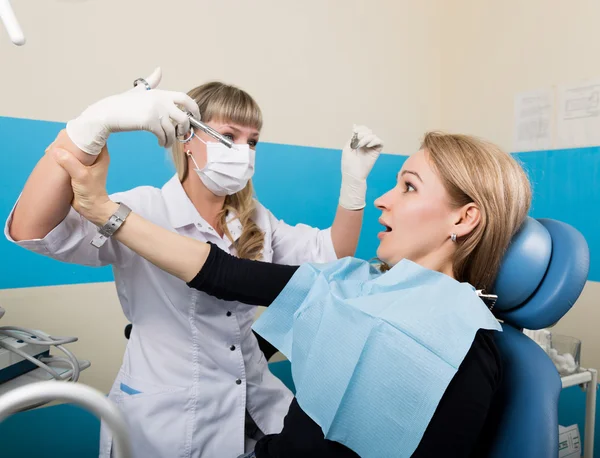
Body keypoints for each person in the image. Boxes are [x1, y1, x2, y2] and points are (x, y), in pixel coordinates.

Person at [49, 130, 532, 457]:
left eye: (408, 187)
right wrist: (103, 210)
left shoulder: (461, 349)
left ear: (464, 218)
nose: (384, 198)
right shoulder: (355, 281)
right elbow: (219, 272)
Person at [4, 68, 383, 458]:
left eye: (252, 142)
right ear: (187, 137)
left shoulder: (254, 219)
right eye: (229, 136)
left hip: (253, 404)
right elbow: (33, 230)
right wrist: (93, 124)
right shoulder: (143, 208)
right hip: (168, 415)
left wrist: (353, 184)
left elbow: (332, 255)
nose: (243, 151)